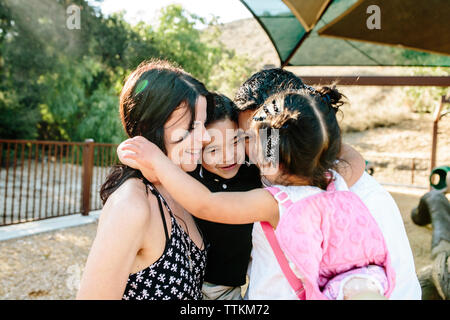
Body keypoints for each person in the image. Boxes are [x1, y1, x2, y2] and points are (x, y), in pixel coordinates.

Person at [117, 85, 395, 299]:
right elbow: (350, 158)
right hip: (365, 277)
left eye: (252, 141)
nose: (249, 151)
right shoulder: (333, 180)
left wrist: (157, 160)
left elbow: (206, 204)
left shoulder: (275, 200)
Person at [234, 68, 422, 300]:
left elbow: (399, 289)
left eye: (265, 138)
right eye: (246, 138)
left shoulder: (364, 199)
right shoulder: (263, 184)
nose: (254, 152)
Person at [76, 59, 211, 300]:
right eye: (192, 126)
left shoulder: (181, 186)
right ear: (152, 126)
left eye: (204, 124)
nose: (205, 137)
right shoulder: (131, 205)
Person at [187, 93, 261, 299]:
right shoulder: (190, 179)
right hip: (189, 283)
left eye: (235, 142)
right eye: (212, 149)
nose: (228, 156)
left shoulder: (255, 171)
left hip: (227, 290)